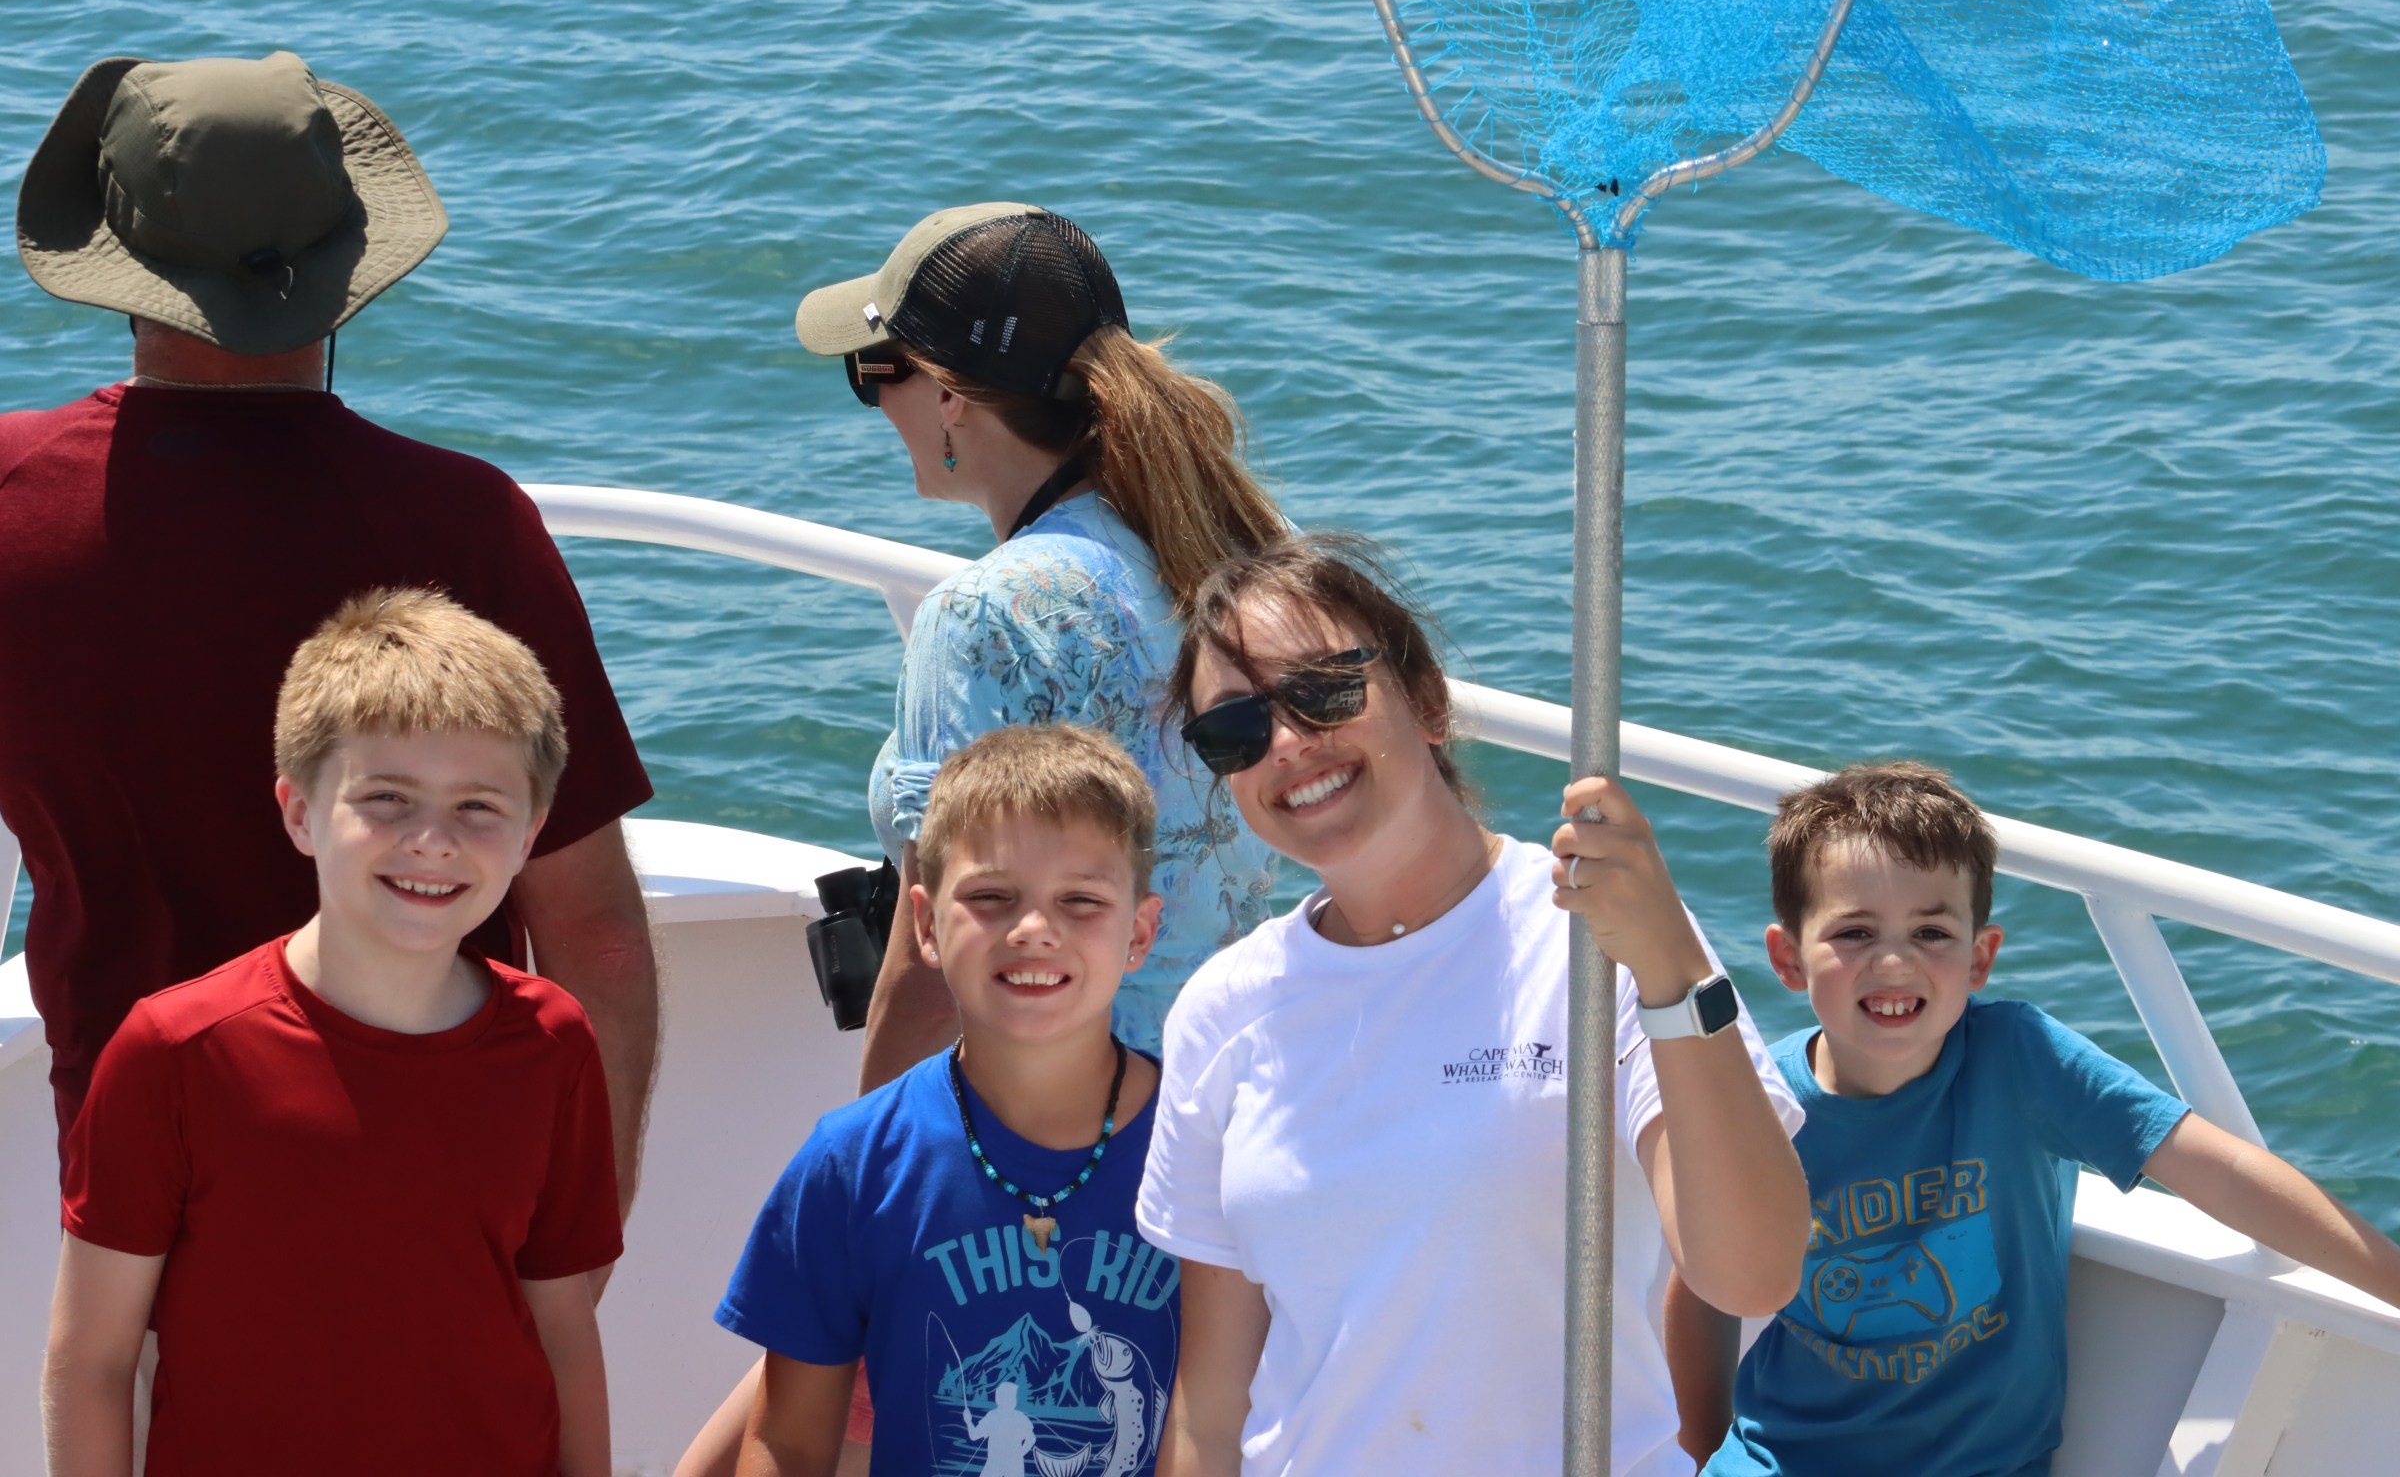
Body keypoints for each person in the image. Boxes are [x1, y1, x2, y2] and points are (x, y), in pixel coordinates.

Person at [0, 51, 659, 1207]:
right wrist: (566, 1243)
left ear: (120, 268)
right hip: (448, 1178)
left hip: (138, 1183)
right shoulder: (466, 523)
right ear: (344, 267)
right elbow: (593, 937)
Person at [1133, 536, 1815, 1477]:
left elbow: (1753, 1272)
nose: (1287, 744)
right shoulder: (1221, 1010)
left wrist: (1665, 963)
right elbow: (1212, 1412)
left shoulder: (1597, 944)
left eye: (1324, 691)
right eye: (1236, 732)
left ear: (1428, 701)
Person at [43, 589, 621, 1477]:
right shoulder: (175, 1052)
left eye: (479, 807)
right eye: (386, 798)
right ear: (300, 812)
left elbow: (564, 1326)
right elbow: (95, 1359)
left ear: (532, 831)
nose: (431, 841)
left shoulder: (553, 1042)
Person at [1698, 760, 2400, 1477]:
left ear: (1980, 958)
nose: (1894, 961)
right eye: (1853, 932)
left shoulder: (2021, 1059)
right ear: (1788, 959)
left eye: (1932, 933)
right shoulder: (1760, 1106)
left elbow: (2222, 1172)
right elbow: (1700, 1283)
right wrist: (1699, 1450)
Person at [793, 202, 1296, 1085]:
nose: (875, 402)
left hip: (1067, 1119)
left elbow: (938, 963)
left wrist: (863, 1172)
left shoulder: (986, 616)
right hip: (1235, 1076)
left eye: (876, 371)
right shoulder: (1234, 539)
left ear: (950, 395)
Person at [705, 724, 1184, 1477]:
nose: (1035, 929)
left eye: (1081, 900)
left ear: (1141, 932)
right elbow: (789, 1442)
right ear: (925, 925)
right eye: (991, 897)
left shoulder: (1205, 1149)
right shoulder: (852, 1164)